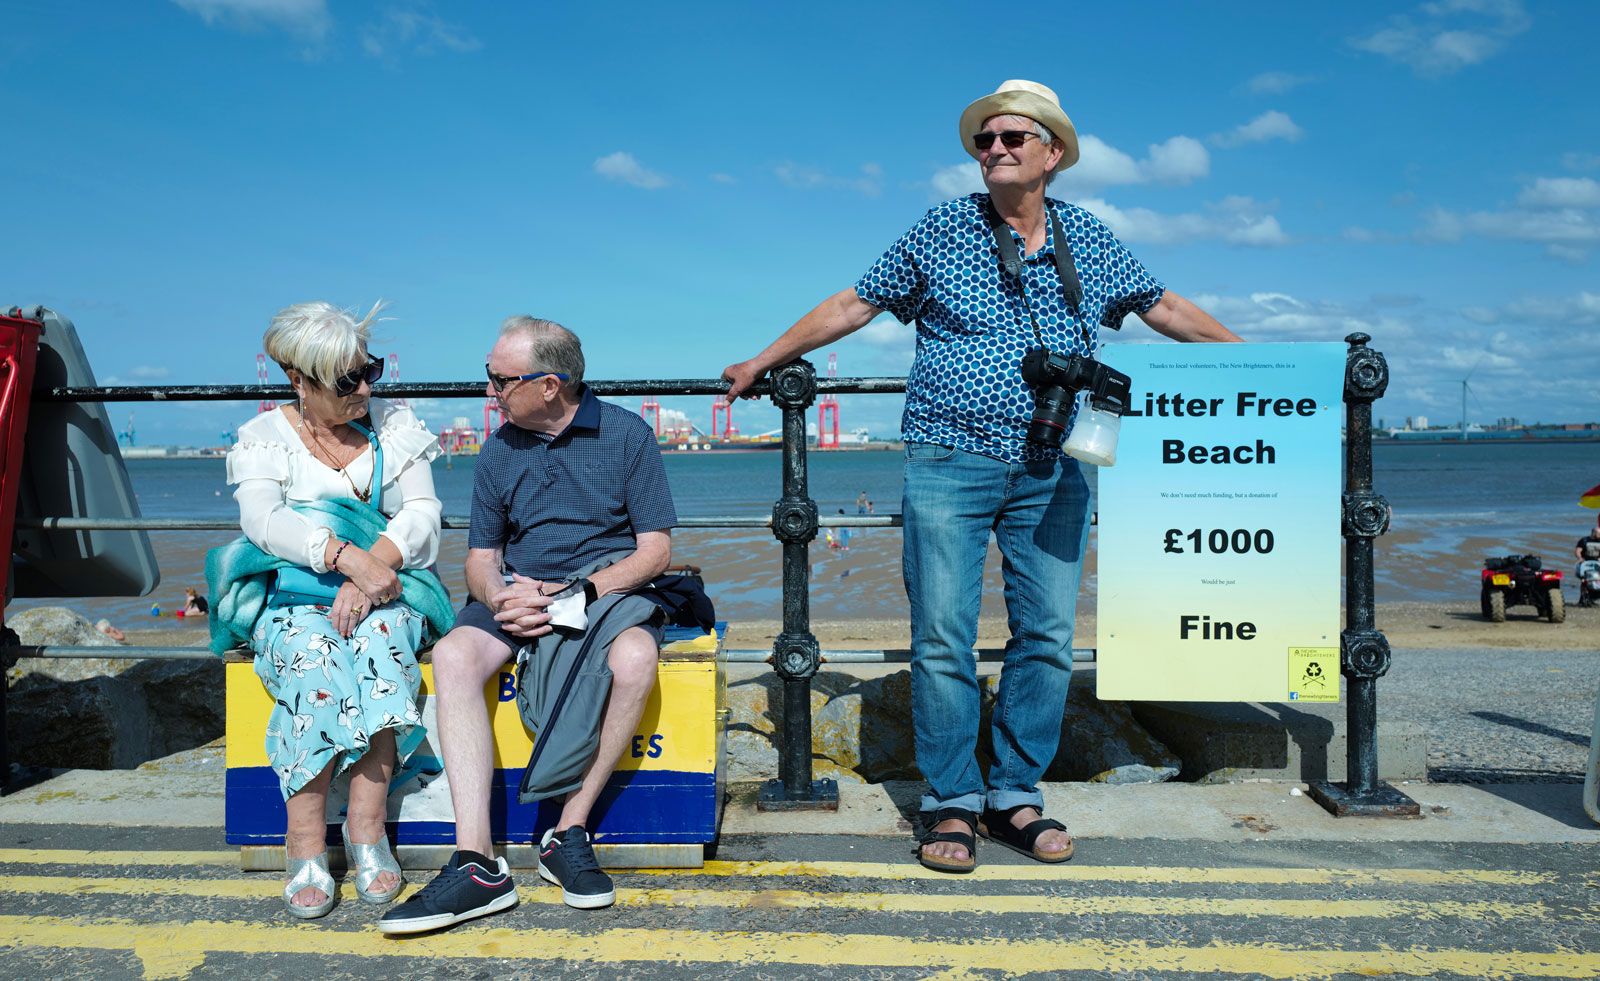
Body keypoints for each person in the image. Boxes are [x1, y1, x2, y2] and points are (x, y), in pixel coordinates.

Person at [721, 80, 1241, 873]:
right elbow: (856, 304)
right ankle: (952, 801)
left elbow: (1163, 307)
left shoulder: (1091, 239)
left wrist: (1271, 367)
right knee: (940, 639)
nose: (993, 150)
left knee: (1048, 639)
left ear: (1051, 155)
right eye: (984, 141)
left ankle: (1015, 795)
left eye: (1012, 139)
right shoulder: (943, 227)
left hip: (1054, 466)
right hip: (947, 459)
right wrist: (765, 358)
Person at [379, 316, 679, 933]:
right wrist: (499, 596)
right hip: (517, 592)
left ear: (550, 384)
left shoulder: (627, 435)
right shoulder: (497, 449)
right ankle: (476, 864)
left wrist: (581, 592)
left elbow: (655, 552)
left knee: (635, 659)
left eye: (498, 379)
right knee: (455, 656)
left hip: (603, 590)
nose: (489, 390)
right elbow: (481, 556)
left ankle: (567, 832)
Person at [209, 301, 451, 919]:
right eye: (347, 380)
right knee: (314, 660)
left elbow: (421, 514)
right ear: (299, 380)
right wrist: (344, 558)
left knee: (383, 651)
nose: (365, 388)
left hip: (390, 585)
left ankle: (367, 830)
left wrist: (375, 572)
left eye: (368, 371)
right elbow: (263, 521)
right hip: (295, 593)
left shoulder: (394, 426)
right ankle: (306, 841)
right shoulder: (265, 438)